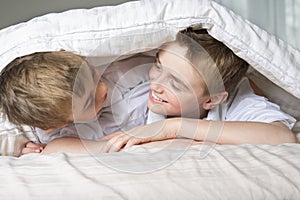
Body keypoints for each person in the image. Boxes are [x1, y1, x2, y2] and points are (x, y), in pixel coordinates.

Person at [41, 28, 296, 154]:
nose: (157, 84)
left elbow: (282, 138)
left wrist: (172, 128)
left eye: (176, 83)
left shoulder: (235, 100)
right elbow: (56, 147)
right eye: (158, 66)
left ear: (212, 99)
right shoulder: (141, 97)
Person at [0, 51, 154, 154]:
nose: (102, 88)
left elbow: (160, 69)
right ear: (59, 124)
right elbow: (54, 149)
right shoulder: (67, 133)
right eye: (89, 102)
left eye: (94, 75)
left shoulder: (118, 73)